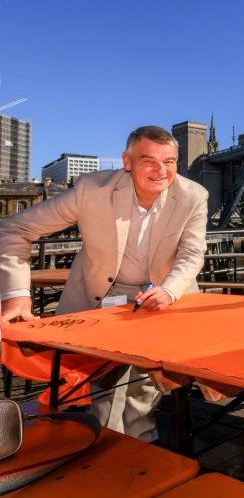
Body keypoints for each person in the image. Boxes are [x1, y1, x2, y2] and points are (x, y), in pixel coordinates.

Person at [0, 126, 208, 442]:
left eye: (169, 161)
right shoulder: (91, 190)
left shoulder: (194, 196)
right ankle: (101, 450)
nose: (160, 171)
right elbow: (14, 230)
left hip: (161, 297)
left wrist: (168, 289)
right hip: (101, 297)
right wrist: (16, 295)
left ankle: (140, 452)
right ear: (127, 161)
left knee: (144, 385)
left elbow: (192, 253)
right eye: (148, 160)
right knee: (98, 386)